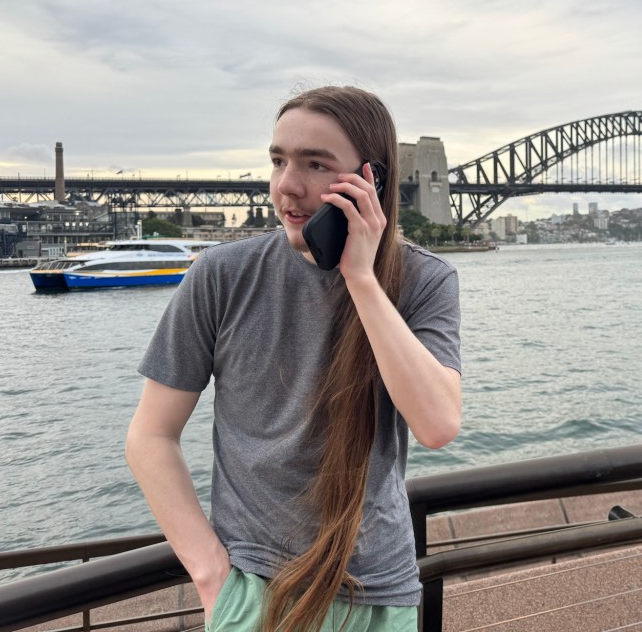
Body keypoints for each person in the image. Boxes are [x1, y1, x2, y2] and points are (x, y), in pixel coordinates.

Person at [125, 86, 462, 632]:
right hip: (255, 594)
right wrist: (211, 575)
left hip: (380, 596)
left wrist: (360, 278)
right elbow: (150, 436)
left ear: (371, 181)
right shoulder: (221, 275)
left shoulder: (424, 280)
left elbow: (438, 424)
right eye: (279, 160)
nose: (287, 185)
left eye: (315, 164)